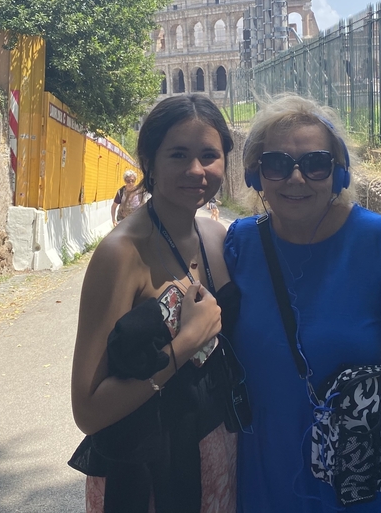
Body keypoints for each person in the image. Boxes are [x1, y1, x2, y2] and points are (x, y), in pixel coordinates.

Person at [223, 94, 381, 513]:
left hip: (355, 482)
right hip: (263, 477)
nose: (296, 178)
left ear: (338, 173)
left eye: (315, 163)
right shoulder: (240, 244)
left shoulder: (379, 243)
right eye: (277, 164)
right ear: (256, 175)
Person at [70, 94, 240, 513]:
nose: (196, 170)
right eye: (178, 154)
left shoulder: (217, 238)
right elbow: (88, 410)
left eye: (209, 156)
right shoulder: (122, 254)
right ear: (150, 161)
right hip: (147, 474)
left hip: (217, 454)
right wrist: (186, 343)